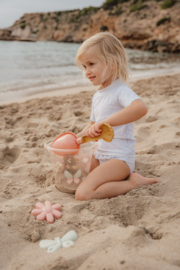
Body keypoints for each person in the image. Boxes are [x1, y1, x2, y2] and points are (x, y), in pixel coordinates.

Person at [74, 32, 158, 201]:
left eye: (91, 64)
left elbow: (140, 108)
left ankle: (133, 183)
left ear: (112, 63)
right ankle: (114, 179)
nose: (87, 71)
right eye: (84, 67)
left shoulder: (120, 90)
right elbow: (91, 126)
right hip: (100, 155)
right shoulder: (98, 96)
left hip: (119, 159)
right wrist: (75, 138)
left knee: (83, 194)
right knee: (74, 172)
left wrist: (105, 122)